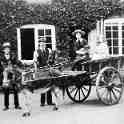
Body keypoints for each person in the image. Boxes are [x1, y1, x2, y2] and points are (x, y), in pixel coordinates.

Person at [0, 42, 22, 111]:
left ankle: (17, 105)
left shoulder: (13, 56)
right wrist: (4, 70)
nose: (7, 50)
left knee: (16, 90)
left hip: (13, 75)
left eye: (8, 49)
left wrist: (21, 64)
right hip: (5, 76)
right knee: (6, 91)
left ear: (9, 50)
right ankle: (6, 106)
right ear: (3, 50)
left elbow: (17, 62)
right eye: (5, 49)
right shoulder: (1, 57)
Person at [33, 38, 54, 106]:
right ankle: (42, 102)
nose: (42, 44)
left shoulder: (48, 50)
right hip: (41, 70)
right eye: (41, 43)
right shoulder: (36, 52)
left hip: (47, 69)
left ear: (45, 44)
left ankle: (49, 102)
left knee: (49, 85)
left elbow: (51, 59)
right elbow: (35, 62)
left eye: (43, 43)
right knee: (42, 86)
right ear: (39, 44)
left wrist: (50, 63)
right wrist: (36, 71)